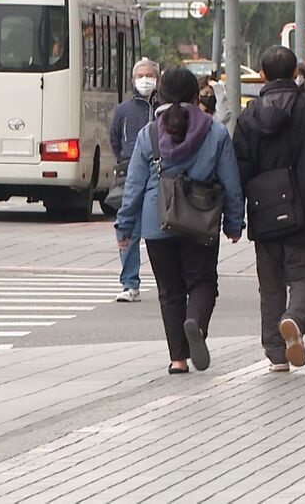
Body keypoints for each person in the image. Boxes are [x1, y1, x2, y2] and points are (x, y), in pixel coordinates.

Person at [114, 68, 245, 374]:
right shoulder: (215, 132)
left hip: (157, 222)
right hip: (201, 221)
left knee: (169, 291)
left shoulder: (149, 133)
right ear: (195, 95)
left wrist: (124, 228)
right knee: (202, 282)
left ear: (161, 95)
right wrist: (234, 224)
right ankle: (196, 325)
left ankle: (178, 359)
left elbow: (133, 186)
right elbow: (230, 181)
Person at [234, 45, 305, 373]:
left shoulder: (249, 115)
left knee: (269, 283)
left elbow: (239, 167)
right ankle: (294, 318)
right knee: (304, 274)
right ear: (296, 73)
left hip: (263, 210)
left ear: (262, 75)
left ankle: (276, 354)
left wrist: (235, 212)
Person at [109, 58, 160, 302]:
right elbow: (115, 140)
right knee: (128, 224)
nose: (145, 79)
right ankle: (130, 283)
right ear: (132, 80)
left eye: (149, 75)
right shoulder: (123, 110)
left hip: (160, 173)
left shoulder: (163, 108)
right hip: (131, 169)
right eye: (140, 76)